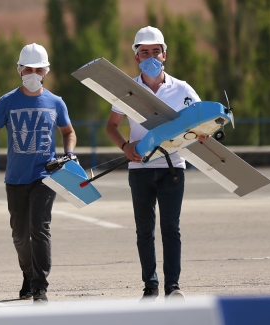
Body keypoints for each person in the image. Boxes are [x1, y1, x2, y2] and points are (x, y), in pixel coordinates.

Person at [105, 26, 201, 302]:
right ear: (136, 57)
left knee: (171, 228)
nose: (150, 56)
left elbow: (199, 121)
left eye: (155, 51)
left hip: (173, 169)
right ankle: (150, 285)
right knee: (144, 230)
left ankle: (173, 286)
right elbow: (111, 126)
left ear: (164, 55)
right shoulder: (127, 92)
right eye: (144, 52)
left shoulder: (182, 89)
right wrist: (125, 146)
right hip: (140, 170)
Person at [0, 43, 76, 305]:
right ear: (19, 70)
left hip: (45, 175)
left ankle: (40, 286)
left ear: (46, 71)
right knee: (19, 235)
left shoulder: (55, 102)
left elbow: (68, 132)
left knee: (40, 228)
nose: (32, 73)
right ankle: (28, 274)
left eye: (38, 69)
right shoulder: (7, 101)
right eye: (28, 69)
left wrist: (68, 153)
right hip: (15, 178)